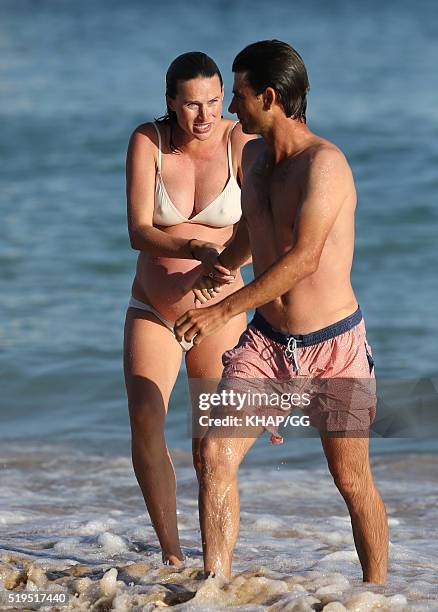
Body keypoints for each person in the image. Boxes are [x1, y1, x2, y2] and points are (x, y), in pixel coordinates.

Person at [175, 40, 388, 583]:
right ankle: (215, 588)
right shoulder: (252, 158)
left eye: (239, 96)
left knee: (351, 479)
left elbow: (304, 259)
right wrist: (222, 265)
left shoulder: (326, 165)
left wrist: (222, 311)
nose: (228, 111)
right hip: (267, 344)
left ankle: (379, 594)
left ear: (269, 97)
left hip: (335, 347)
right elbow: (255, 229)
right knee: (214, 456)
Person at [124, 51, 254, 566]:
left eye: (215, 102)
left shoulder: (240, 142)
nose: (206, 116)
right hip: (154, 307)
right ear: (170, 103)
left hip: (218, 315)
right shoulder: (147, 141)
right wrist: (196, 250)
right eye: (192, 105)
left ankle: (216, 572)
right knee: (144, 418)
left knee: (210, 449)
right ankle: (172, 557)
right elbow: (139, 231)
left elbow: (262, 226)